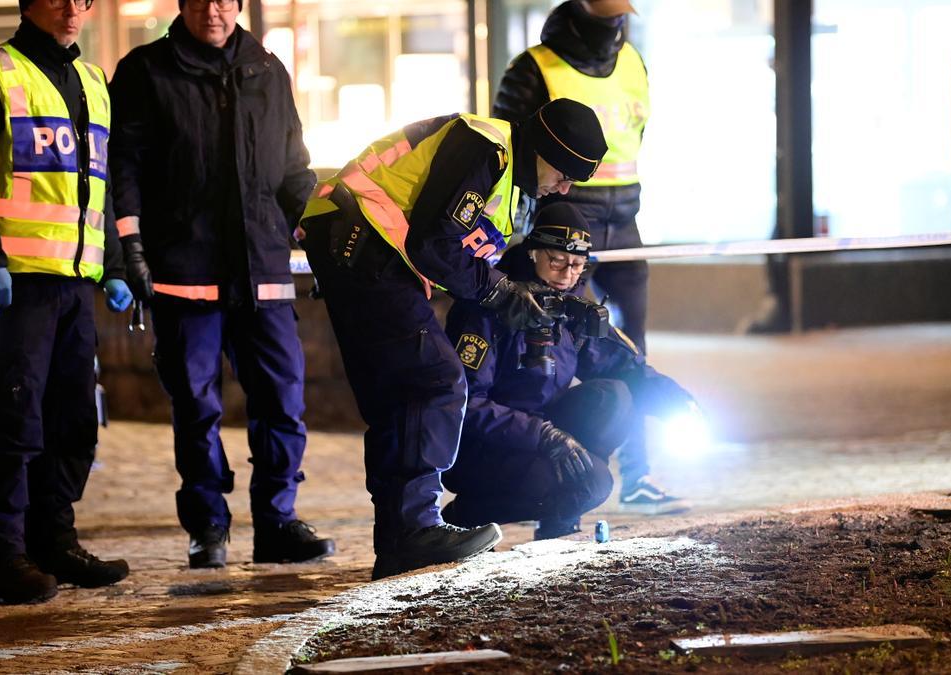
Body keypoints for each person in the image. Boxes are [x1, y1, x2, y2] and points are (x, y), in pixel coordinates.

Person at [298, 99, 607, 579]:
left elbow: (451, 253)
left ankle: (400, 539)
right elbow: (433, 243)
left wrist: (508, 292)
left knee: (397, 398)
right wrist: (499, 291)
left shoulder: (504, 183)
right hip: (363, 239)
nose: (562, 188)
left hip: (356, 243)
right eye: (564, 173)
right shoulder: (485, 147)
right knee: (436, 379)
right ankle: (416, 528)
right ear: (544, 148)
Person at [108, 0, 333, 568]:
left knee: (283, 400)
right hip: (186, 270)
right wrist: (130, 249)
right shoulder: (145, 72)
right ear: (181, 5)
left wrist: (320, 234)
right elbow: (124, 169)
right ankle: (208, 526)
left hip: (263, 270)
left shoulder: (267, 69)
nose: (214, 10)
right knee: (197, 406)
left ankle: (277, 522)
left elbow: (293, 170)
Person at [0, 0, 133, 604]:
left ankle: (55, 541)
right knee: (15, 417)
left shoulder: (93, 81)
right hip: (16, 285)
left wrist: (116, 267)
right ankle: (3, 557)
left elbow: (98, 184)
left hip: (75, 281)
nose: (73, 9)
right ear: (28, 3)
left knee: (73, 421)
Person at [493, 0, 685, 512]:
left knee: (629, 350)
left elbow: (636, 137)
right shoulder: (535, 67)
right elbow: (513, 152)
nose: (616, 22)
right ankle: (560, 473)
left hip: (624, 222)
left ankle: (640, 476)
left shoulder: (633, 61)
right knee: (567, 340)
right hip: (566, 226)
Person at [442, 202, 699, 538]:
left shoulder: (573, 308)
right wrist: (544, 435)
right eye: (557, 261)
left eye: (577, 265)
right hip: (481, 448)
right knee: (585, 482)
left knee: (613, 397)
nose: (567, 274)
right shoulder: (492, 305)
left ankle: (558, 524)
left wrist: (679, 404)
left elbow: (625, 368)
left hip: (540, 434)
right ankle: (467, 514)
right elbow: (466, 404)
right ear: (533, 252)